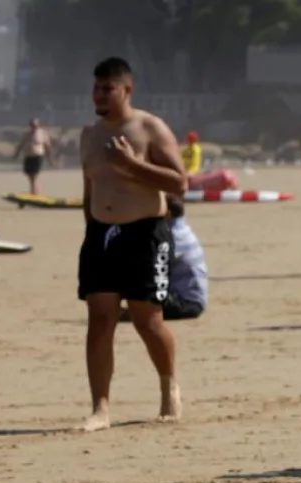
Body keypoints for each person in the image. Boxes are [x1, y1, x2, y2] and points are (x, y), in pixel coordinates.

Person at [78, 56, 188, 432]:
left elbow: (179, 183)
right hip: (101, 235)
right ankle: (100, 409)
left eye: (107, 88)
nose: (100, 95)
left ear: (127, 89)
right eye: (96, 88)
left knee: (147, 320)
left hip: (145, 232)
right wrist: (90, 227)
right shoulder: (89, 135)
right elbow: (89, 187)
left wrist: (131, 164)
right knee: (100, 320)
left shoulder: (149, 128)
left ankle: (168, 388)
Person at [14, 118, 53, 193]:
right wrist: (16, 154)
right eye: (32, 125)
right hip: (28, 156)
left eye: (35, 125)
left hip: (38, 155)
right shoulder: (26, 135)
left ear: (38, 125)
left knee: (34, 174)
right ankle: (34, 189)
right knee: (28, 174)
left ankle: (34, 190)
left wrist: (50, 159)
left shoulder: (43, 134)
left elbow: (48, 147)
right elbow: (21, 145)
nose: (33, 127)